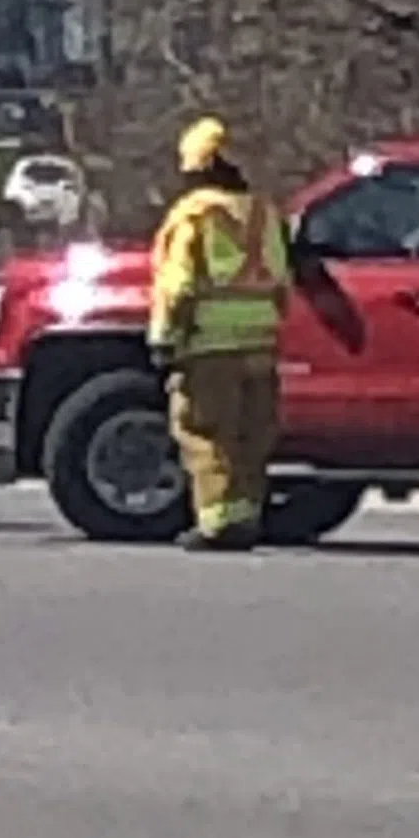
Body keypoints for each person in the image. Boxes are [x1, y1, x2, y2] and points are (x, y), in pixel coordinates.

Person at [149, 115, 291, 551]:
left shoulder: (194, 215)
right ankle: (246, 516)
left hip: (209, 346)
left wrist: (164, 337)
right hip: (260, 345)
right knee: (251, 434)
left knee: (206, 433)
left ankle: (217, 524)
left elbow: (179, 283)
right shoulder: (264, 212)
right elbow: (281, 279)